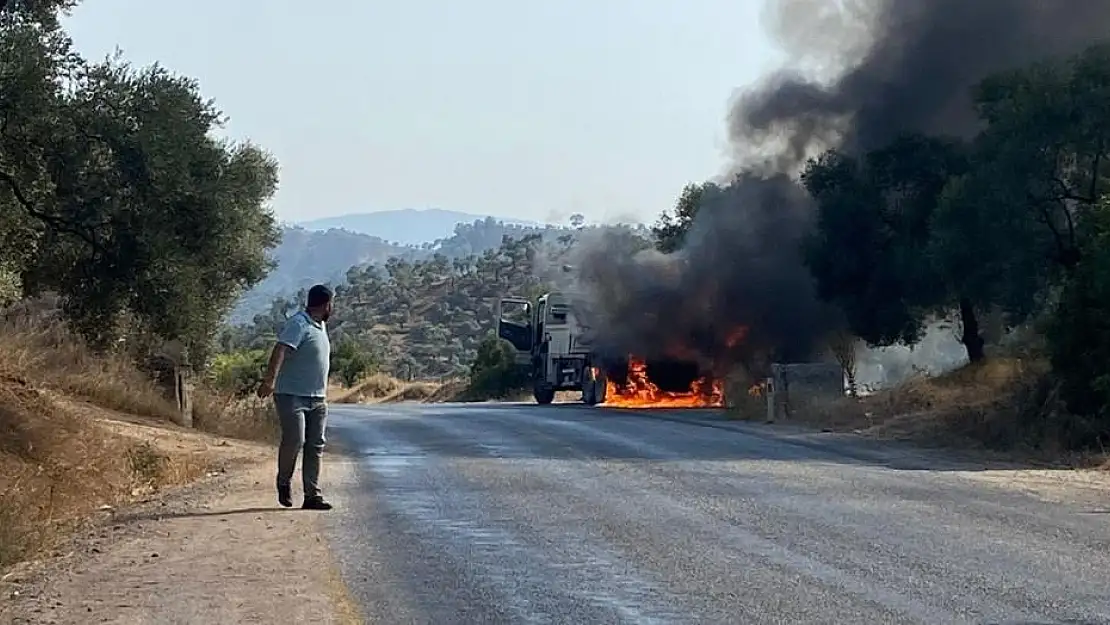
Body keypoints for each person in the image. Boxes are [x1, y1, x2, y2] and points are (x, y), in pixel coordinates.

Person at [257, 284, 334, 510]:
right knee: (295, 440)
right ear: (326, 304)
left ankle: (312, 495)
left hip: (318, 398)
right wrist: (269, 381)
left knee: (315, 445)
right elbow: (280, 349)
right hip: (291, 395)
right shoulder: (299, 323)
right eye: (332, 304)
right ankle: (284, 482)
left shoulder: (320, 326)